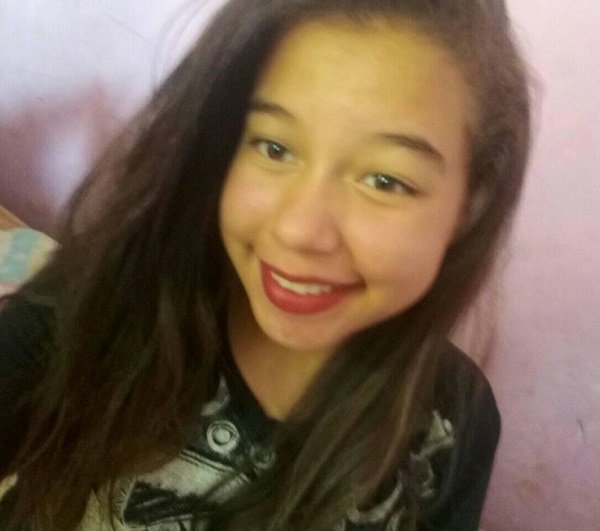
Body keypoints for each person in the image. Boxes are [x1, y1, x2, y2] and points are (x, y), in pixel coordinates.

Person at [0, 0, 530, 529]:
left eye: (385, 180)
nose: (298, 230)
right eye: (274, 148)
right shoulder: (99, 306)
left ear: (471, 203)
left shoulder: (455, 422)